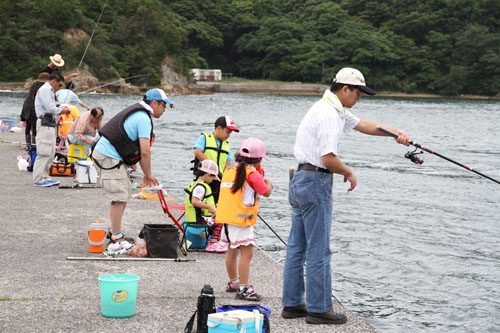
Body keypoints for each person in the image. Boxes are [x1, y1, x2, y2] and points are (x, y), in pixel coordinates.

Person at [281, 68, 411, 325]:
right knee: (319, 249)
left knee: (297, 247)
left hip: (299, 179)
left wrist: (396, 132)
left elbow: (364, 125)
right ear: (345, 89)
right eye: (358, 93)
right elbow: (328, 158)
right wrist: (349, 172)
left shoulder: (328, 106)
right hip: (315, 181)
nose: (360, 98)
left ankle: (293, 304)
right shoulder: (329, 114)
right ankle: (319, 309)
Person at [92, 88, 173, 251]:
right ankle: (115, 238)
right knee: (119, 196)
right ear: (155, 103)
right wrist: (148, 174)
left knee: (123, 193)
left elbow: (142, 153)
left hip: (108, 155)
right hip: (108, 156)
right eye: (164, 105)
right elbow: (145, 151)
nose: (164, 110)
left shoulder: (141, 114)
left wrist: (147, 174)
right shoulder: (143, 118)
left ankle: (115, 232)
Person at [216, 137, 273, 301]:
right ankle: (244, 288)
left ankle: (234, 282)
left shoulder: (230, 171)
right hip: (241, 221)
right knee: (247, 254)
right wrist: (269, 183)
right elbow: (265, 192)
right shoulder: (252, 174)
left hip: (227, 220)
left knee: (232, 252)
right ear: (259, 159)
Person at [193, 115, 239, 252]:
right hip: (205, 178)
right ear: (219, 128)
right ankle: (204, 233)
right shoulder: (205, 138)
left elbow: (228, 163)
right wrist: (210, 166)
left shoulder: (226, 145)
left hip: (219, 181)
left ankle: (215, 236)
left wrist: (225, 176)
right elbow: (197, 151)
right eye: (228, 131)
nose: (229, 135)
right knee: (205, 205)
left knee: (219, 206)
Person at [33, 72, 69, 187]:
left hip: (50, 124)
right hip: (44, 123)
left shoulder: (50, 91)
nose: (60, 87)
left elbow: (51, 107)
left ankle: (45, 176)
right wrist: (61, 110)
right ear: (53, 81)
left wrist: (58, 108)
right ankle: (38, 179)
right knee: (44, 152)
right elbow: (49, 108)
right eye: (60, 85)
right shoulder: (45, 90)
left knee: (51, 151)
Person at [184, 159, 219, 231]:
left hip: (195, 223)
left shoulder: (195, 183)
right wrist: (209, 207)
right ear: (208, 175)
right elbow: (195, 201)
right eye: (213, 177)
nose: (213, 180)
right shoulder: (200, 187)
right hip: (198, 224)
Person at [20, 73, 50, 149]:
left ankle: (28, 144)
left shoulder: (34, 84)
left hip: (27, 104)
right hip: (33, 106)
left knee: (28, 125)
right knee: (34, 126)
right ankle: (34, 145)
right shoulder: (42, 86)